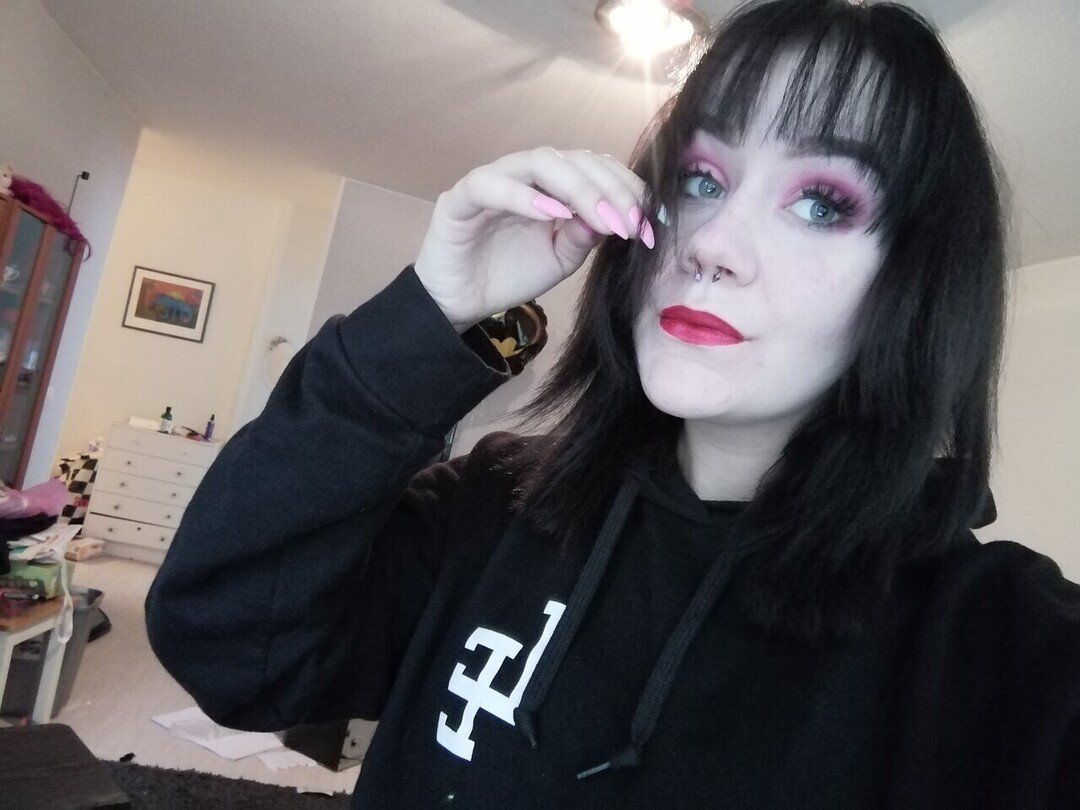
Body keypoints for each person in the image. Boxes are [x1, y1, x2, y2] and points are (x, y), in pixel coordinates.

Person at [145, 0, 1080, 806]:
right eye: (701, 181)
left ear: (918, 285)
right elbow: (231, 650)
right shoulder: (498, 504)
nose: (711, 243)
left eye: (822, 203)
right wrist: (427, 316)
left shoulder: (998, 647)